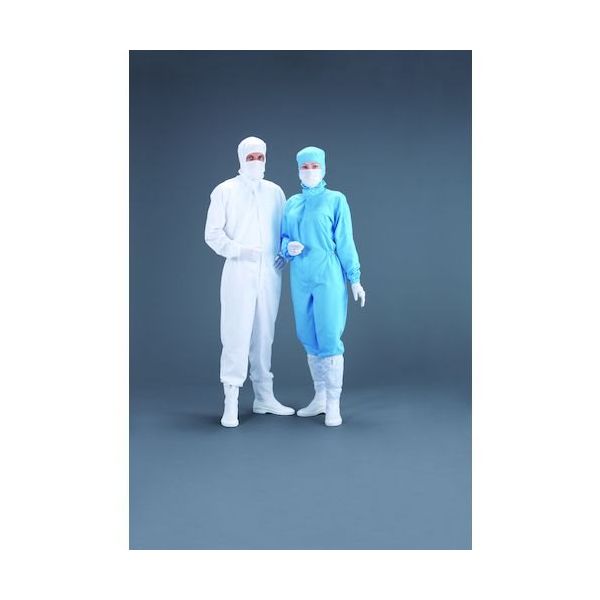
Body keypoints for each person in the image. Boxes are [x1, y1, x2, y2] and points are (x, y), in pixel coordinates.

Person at [205, 136, 295, 427]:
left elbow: (284, 230)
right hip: (238, 272)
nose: (256, 162)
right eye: (251, 157)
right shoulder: (225, 190)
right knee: (236, 333)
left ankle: (264, 397)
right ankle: (230, 401)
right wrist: (239, 250)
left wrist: (284, 253)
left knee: (264, 334)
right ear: (241, 158)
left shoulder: (275, 192)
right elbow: (212, 234)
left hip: (270, 273)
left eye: (260, 157)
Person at [279, 146, 366, 426]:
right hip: (300, 275)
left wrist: (355, 278)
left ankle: (333, 403)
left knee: (328, 335)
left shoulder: (336, 200)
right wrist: (287, 248)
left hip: (327, 273)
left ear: (324, 168)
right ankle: (319, 397)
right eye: (304, 167)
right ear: (298, 170)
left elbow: (345, 240)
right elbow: (282, 236)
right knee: (307, 335)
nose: (310, 171)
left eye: (314, 166)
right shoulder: (292, 203)